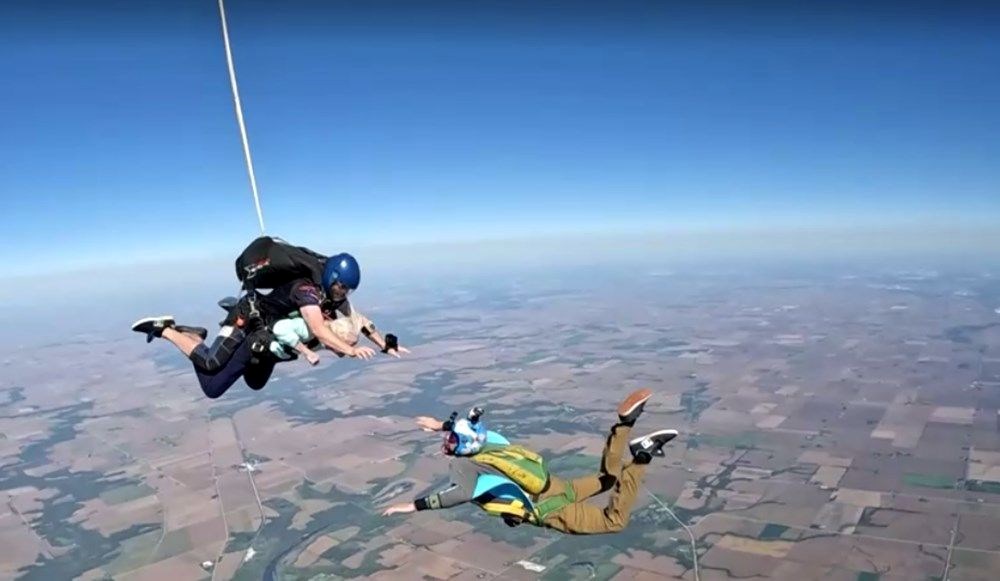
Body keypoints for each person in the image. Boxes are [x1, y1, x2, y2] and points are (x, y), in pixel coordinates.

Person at [380, 388, 678, 534]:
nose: (447, 444)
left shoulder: (464, 466)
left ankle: (641, 456)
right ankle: (625, 425)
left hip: (548, 508)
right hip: (557, 486)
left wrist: (412, 506)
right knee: (608, 479)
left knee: (613, 521)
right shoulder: (489, 441)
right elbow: (470, 430)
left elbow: (456, 495)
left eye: (450, 441)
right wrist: (440, 425)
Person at [131, 251, 407, 399]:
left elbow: (361, 322)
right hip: (249, 323)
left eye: (348, 290)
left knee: (255, 383)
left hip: (266, 340)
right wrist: (350, 352)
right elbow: (320, 329)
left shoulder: (333, 299)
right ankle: (166, 328)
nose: (343, 294)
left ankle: (200, 334)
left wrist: (385, 345)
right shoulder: (307, 291)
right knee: (212, 369)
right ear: (333, 279)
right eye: (342, 288)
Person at [269, 302, 389, 365]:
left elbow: (361, 321)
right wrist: (307, 353)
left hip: (276, 355)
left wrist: (385, 346)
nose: (343, 353)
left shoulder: (322, 342)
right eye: (345, 345)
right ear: (335, 338)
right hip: (264, 345)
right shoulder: (308, 329)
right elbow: (279, 329)